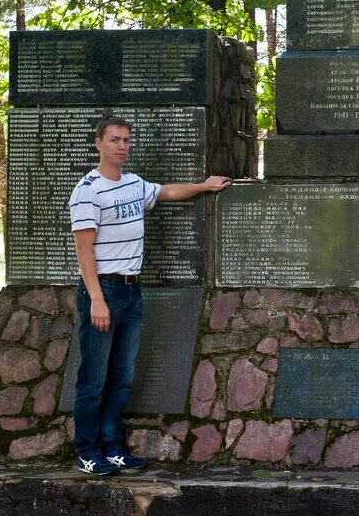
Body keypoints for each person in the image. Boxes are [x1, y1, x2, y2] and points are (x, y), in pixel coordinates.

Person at [69, 114, 231, 475]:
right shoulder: (88, 190)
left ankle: (112, 448)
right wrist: (96, 298)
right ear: (99, 143)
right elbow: (83, 250)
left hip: (131, 290)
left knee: (122, 376)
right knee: (93, 378)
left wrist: (205, 186)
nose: (122, 146)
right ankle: (86, 450)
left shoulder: (133, 183)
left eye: (126, 140)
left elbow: (167, 191)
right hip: (104, 290)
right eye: (114, 140)